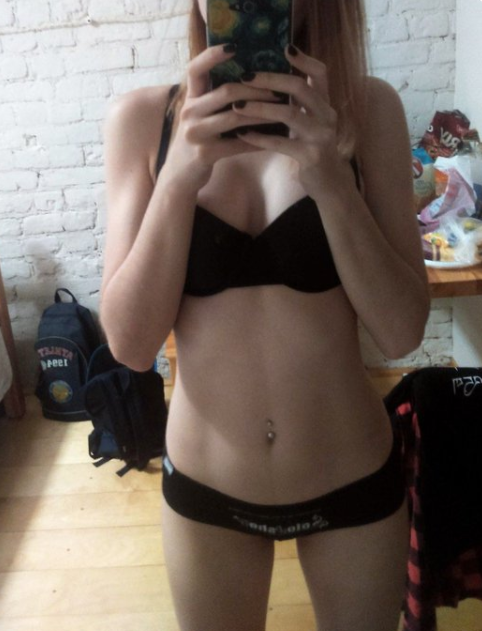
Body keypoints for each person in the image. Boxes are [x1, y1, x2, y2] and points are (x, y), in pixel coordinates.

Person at [100, 1, 430, 629]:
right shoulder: (141, 122)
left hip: (352, 476)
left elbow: (401, 333)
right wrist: (178, 180)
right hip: (206, 491)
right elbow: (131, 346)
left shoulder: (368, 110)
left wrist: (331, 181)